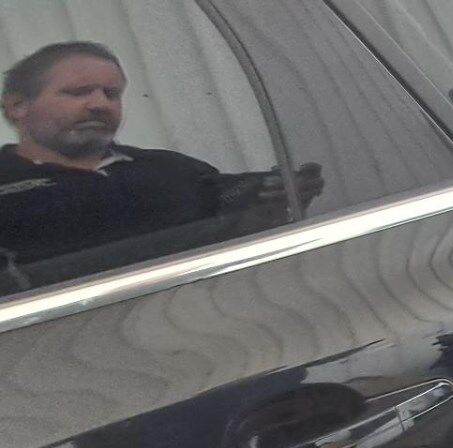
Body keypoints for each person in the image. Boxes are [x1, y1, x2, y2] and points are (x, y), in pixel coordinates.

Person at [0, 41, 319, 283]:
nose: (99, 104)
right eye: (78, 92)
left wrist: (275, 197)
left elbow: (239, 218)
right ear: (17, 106)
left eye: (112, 94)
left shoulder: (172, 170)